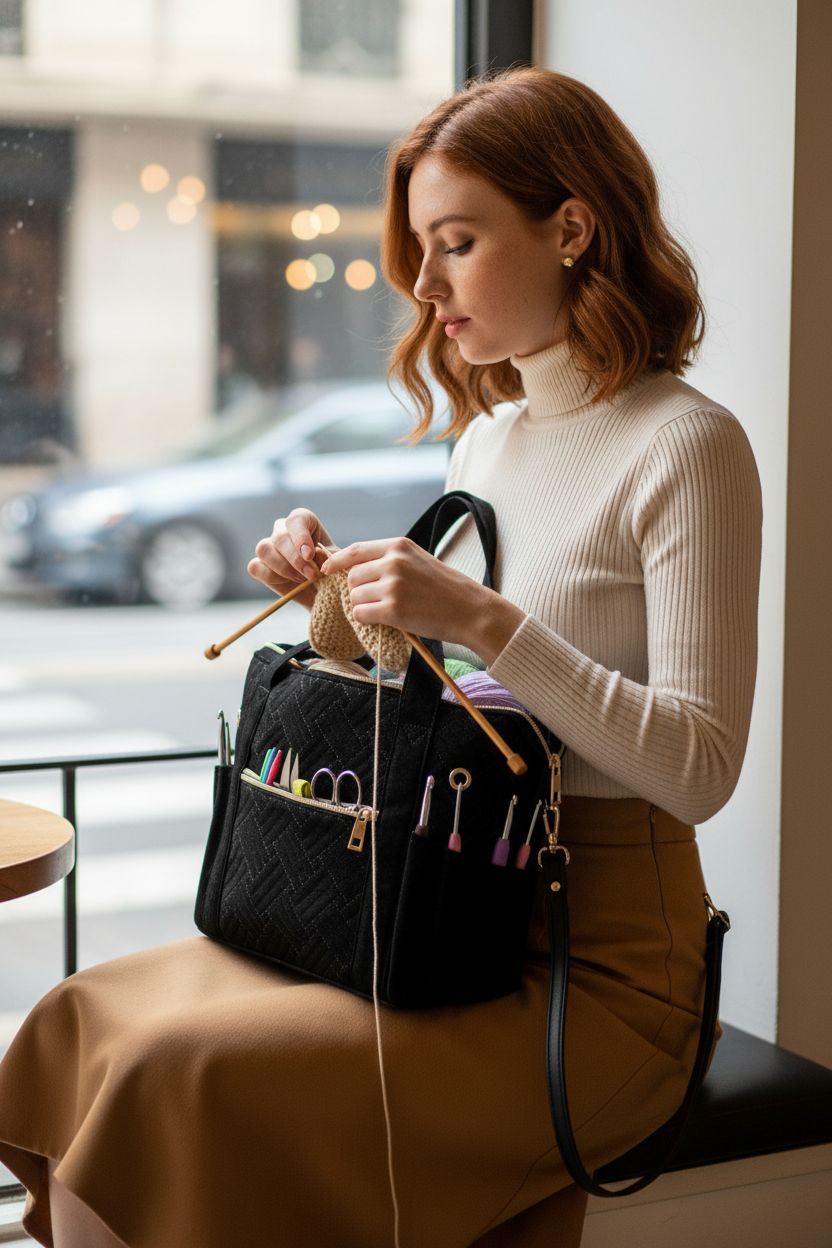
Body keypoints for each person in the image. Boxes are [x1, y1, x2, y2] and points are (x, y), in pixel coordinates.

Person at [0, 66, 761, 1248]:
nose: (423, 283)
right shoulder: (492, 437)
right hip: (438, 905)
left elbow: (701, 767)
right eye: (419, 247)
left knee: (179, 1074)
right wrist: (338, 607)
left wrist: (487, 618)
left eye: (456, 242)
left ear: (569, 227)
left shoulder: (688, 445)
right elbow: (467, 707)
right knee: (91, 1013)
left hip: (601, 967)